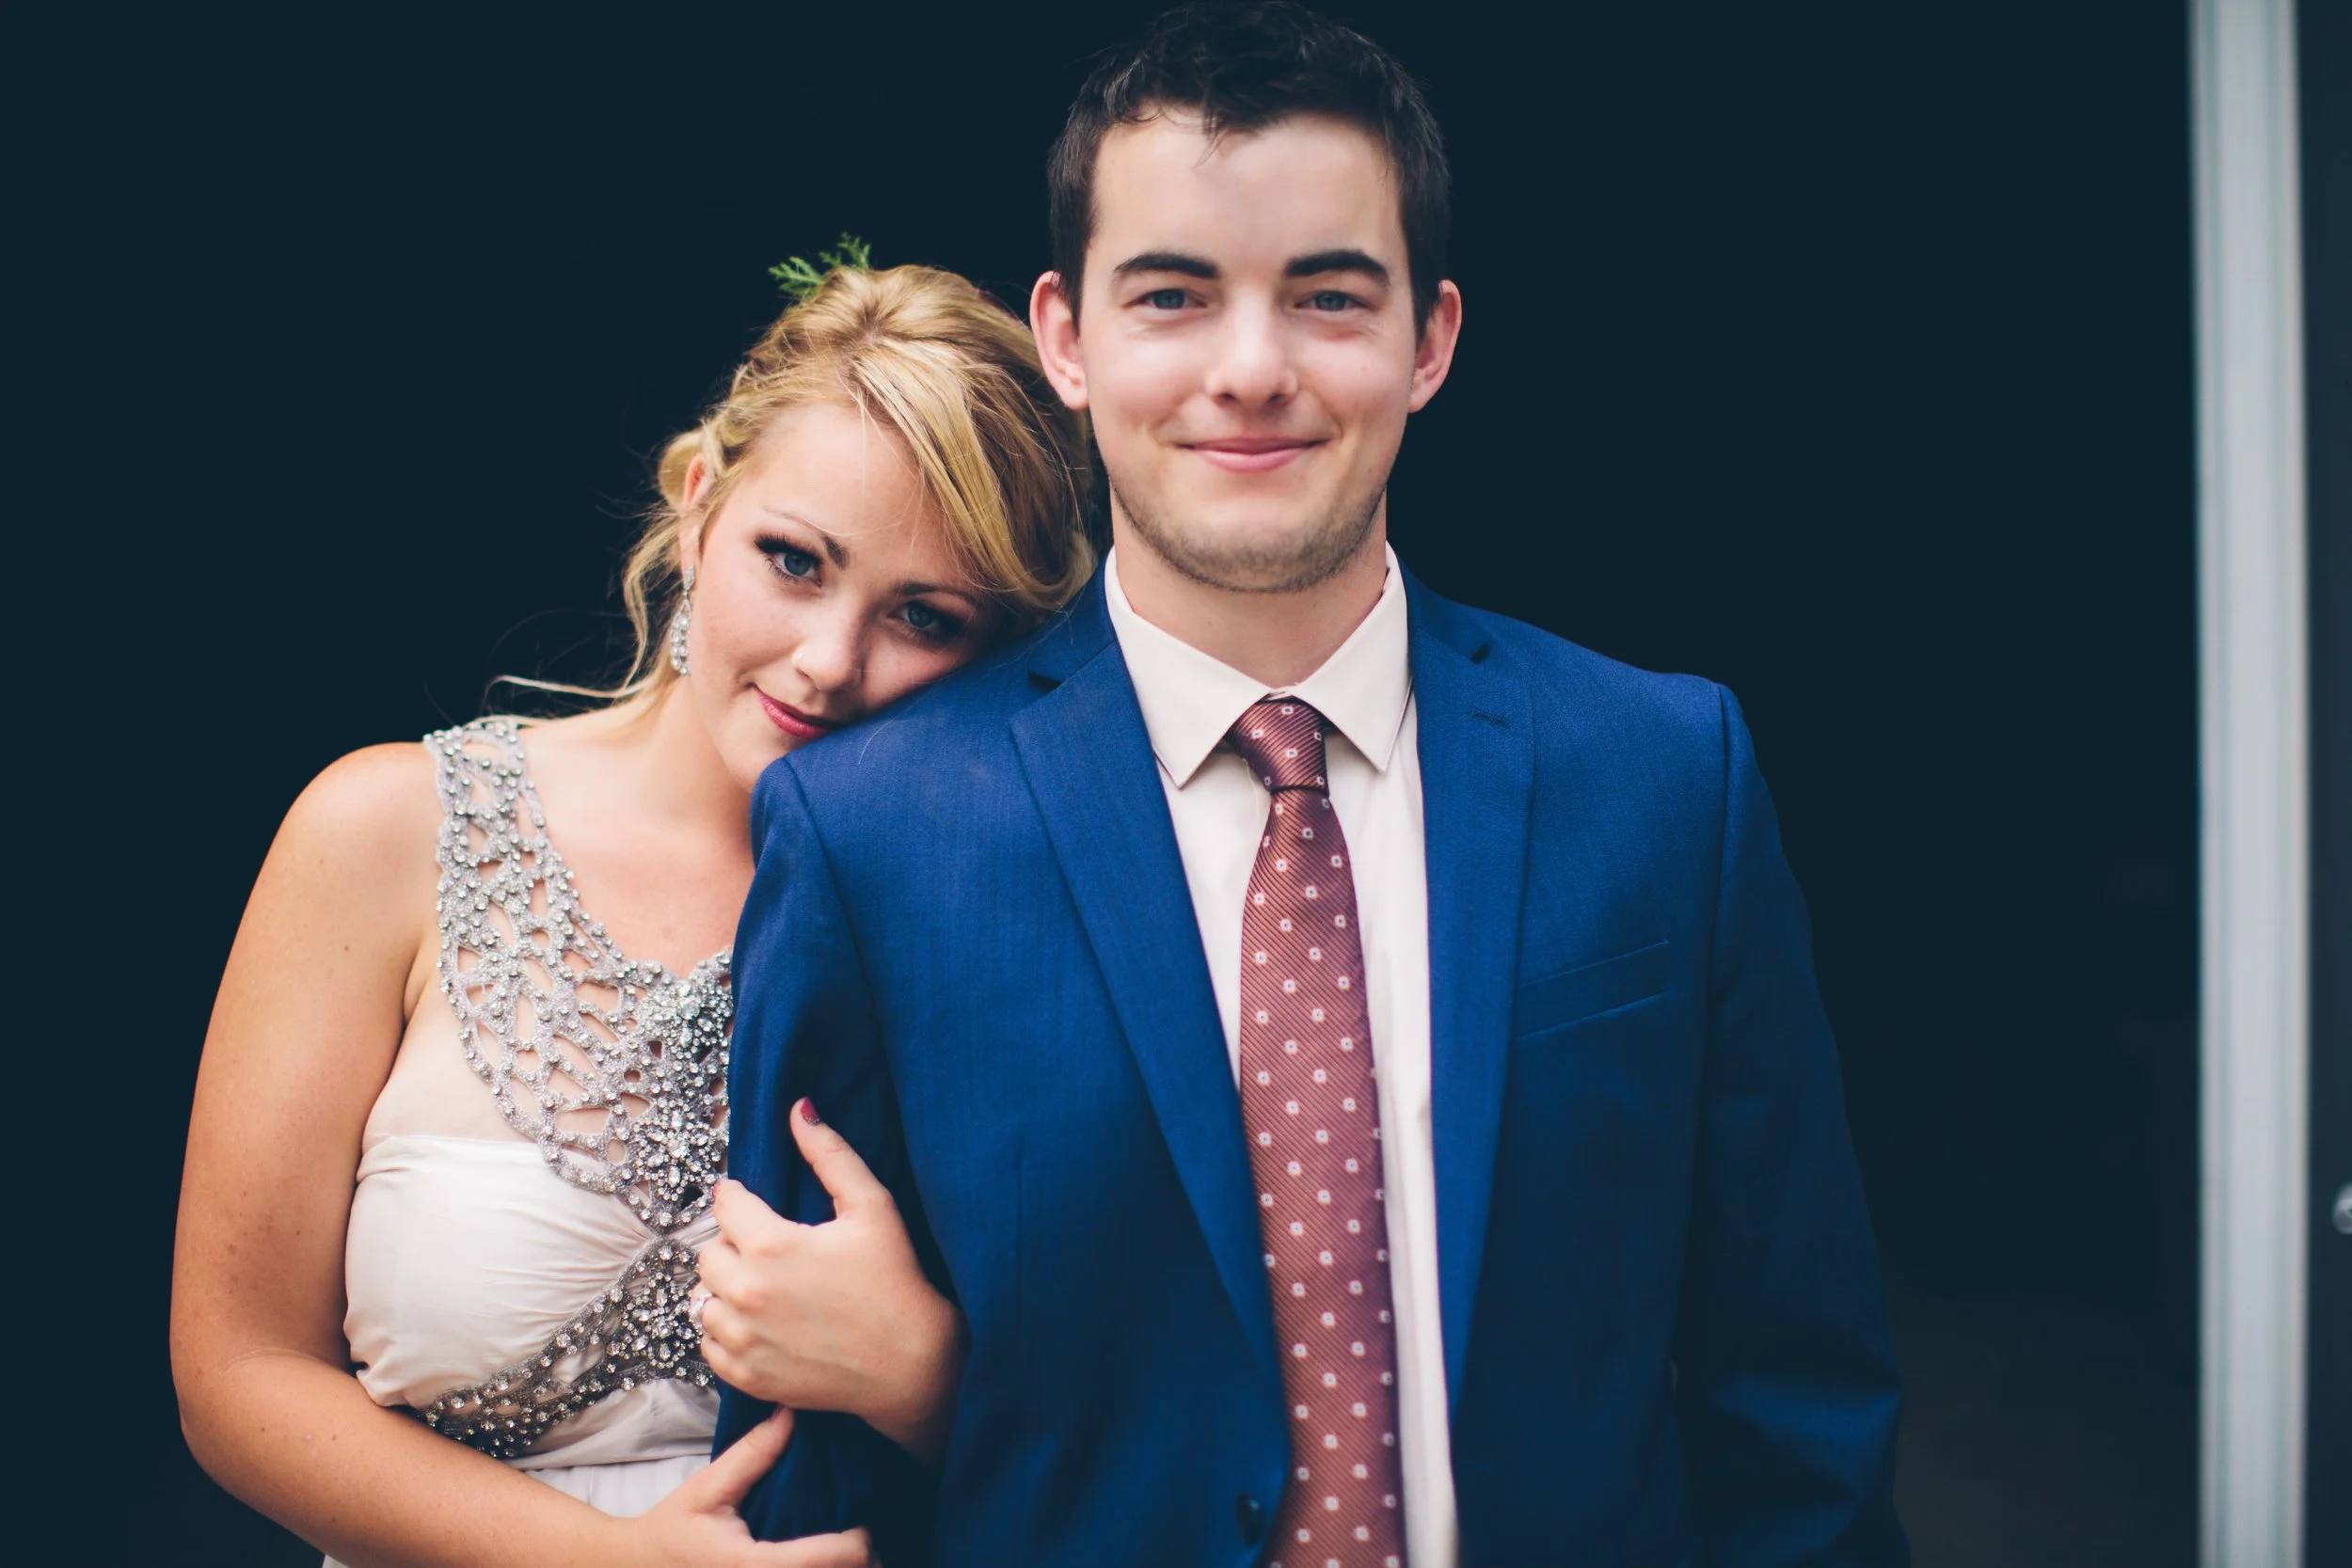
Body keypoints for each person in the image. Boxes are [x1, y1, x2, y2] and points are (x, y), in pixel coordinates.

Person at [714, 5, 1909, 1564]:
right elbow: (811, 1495)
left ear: (1432, 339)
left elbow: (1798, 1415)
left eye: (1329, 297)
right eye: (1174, 296)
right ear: (1067, 337)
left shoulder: (1670, 776)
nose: (1253, 369)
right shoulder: (872, 834)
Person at [171, 261, 1095, 1568]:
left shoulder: (1012, 926)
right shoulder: (388, 830)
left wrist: (926, 1377)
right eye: (795, 560)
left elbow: (1148, 1433)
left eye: (924, 617)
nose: (830, 660)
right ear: (698, 504)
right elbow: (239, 1372)